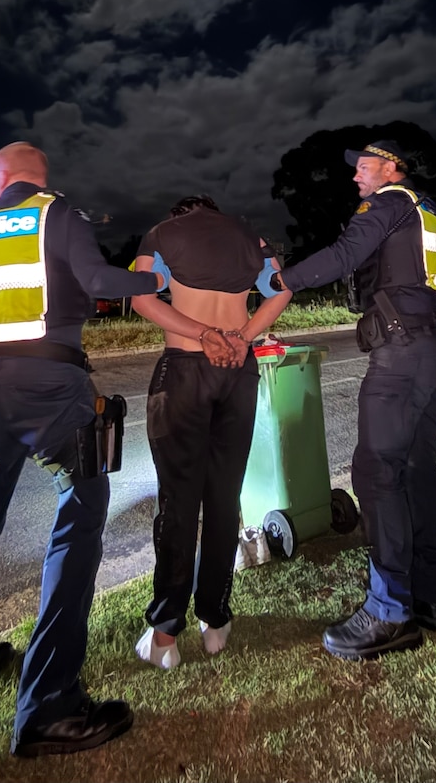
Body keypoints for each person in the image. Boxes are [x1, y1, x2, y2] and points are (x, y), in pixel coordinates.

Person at [0, 142, 163, 758]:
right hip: (53, 390)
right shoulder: (59, 214)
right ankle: (49, 705)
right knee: (79, 520)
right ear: (40, 176)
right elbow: (102, 282)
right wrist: (155, 277)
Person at [269, 141, 436, 661]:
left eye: (364, 167)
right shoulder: (430, 212)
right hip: (432, 348)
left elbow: (346, 255)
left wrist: (283, 278)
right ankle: (427, 599)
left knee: (376, 473)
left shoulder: (389, 202)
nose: (356, 177)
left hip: (400, 356)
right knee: (418, 469)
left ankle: (389, 612)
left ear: (393, 167)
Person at [130, 195, 292, 669]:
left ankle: (164, 638)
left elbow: (142, 297)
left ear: (181, 214)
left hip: (184, 372)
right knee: (224, 499)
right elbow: (281, 290)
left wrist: (203, 335)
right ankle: (216, 622)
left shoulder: (163, 233)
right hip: (237, 373)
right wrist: (240, 337)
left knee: (178, 505)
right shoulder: (250, 237)